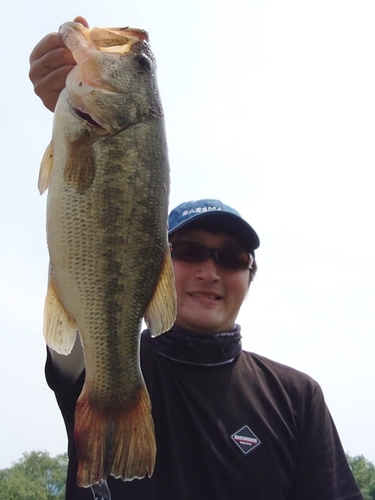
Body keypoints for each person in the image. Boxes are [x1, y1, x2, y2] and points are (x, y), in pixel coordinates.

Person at [29, 18, 363, 500]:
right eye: (188, 252)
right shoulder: (112, 360)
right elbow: (76, 313)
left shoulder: (296, 397)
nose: (210, 271)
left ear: (251, 274)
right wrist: (68, 117)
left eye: (231, 258)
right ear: (158, 260)